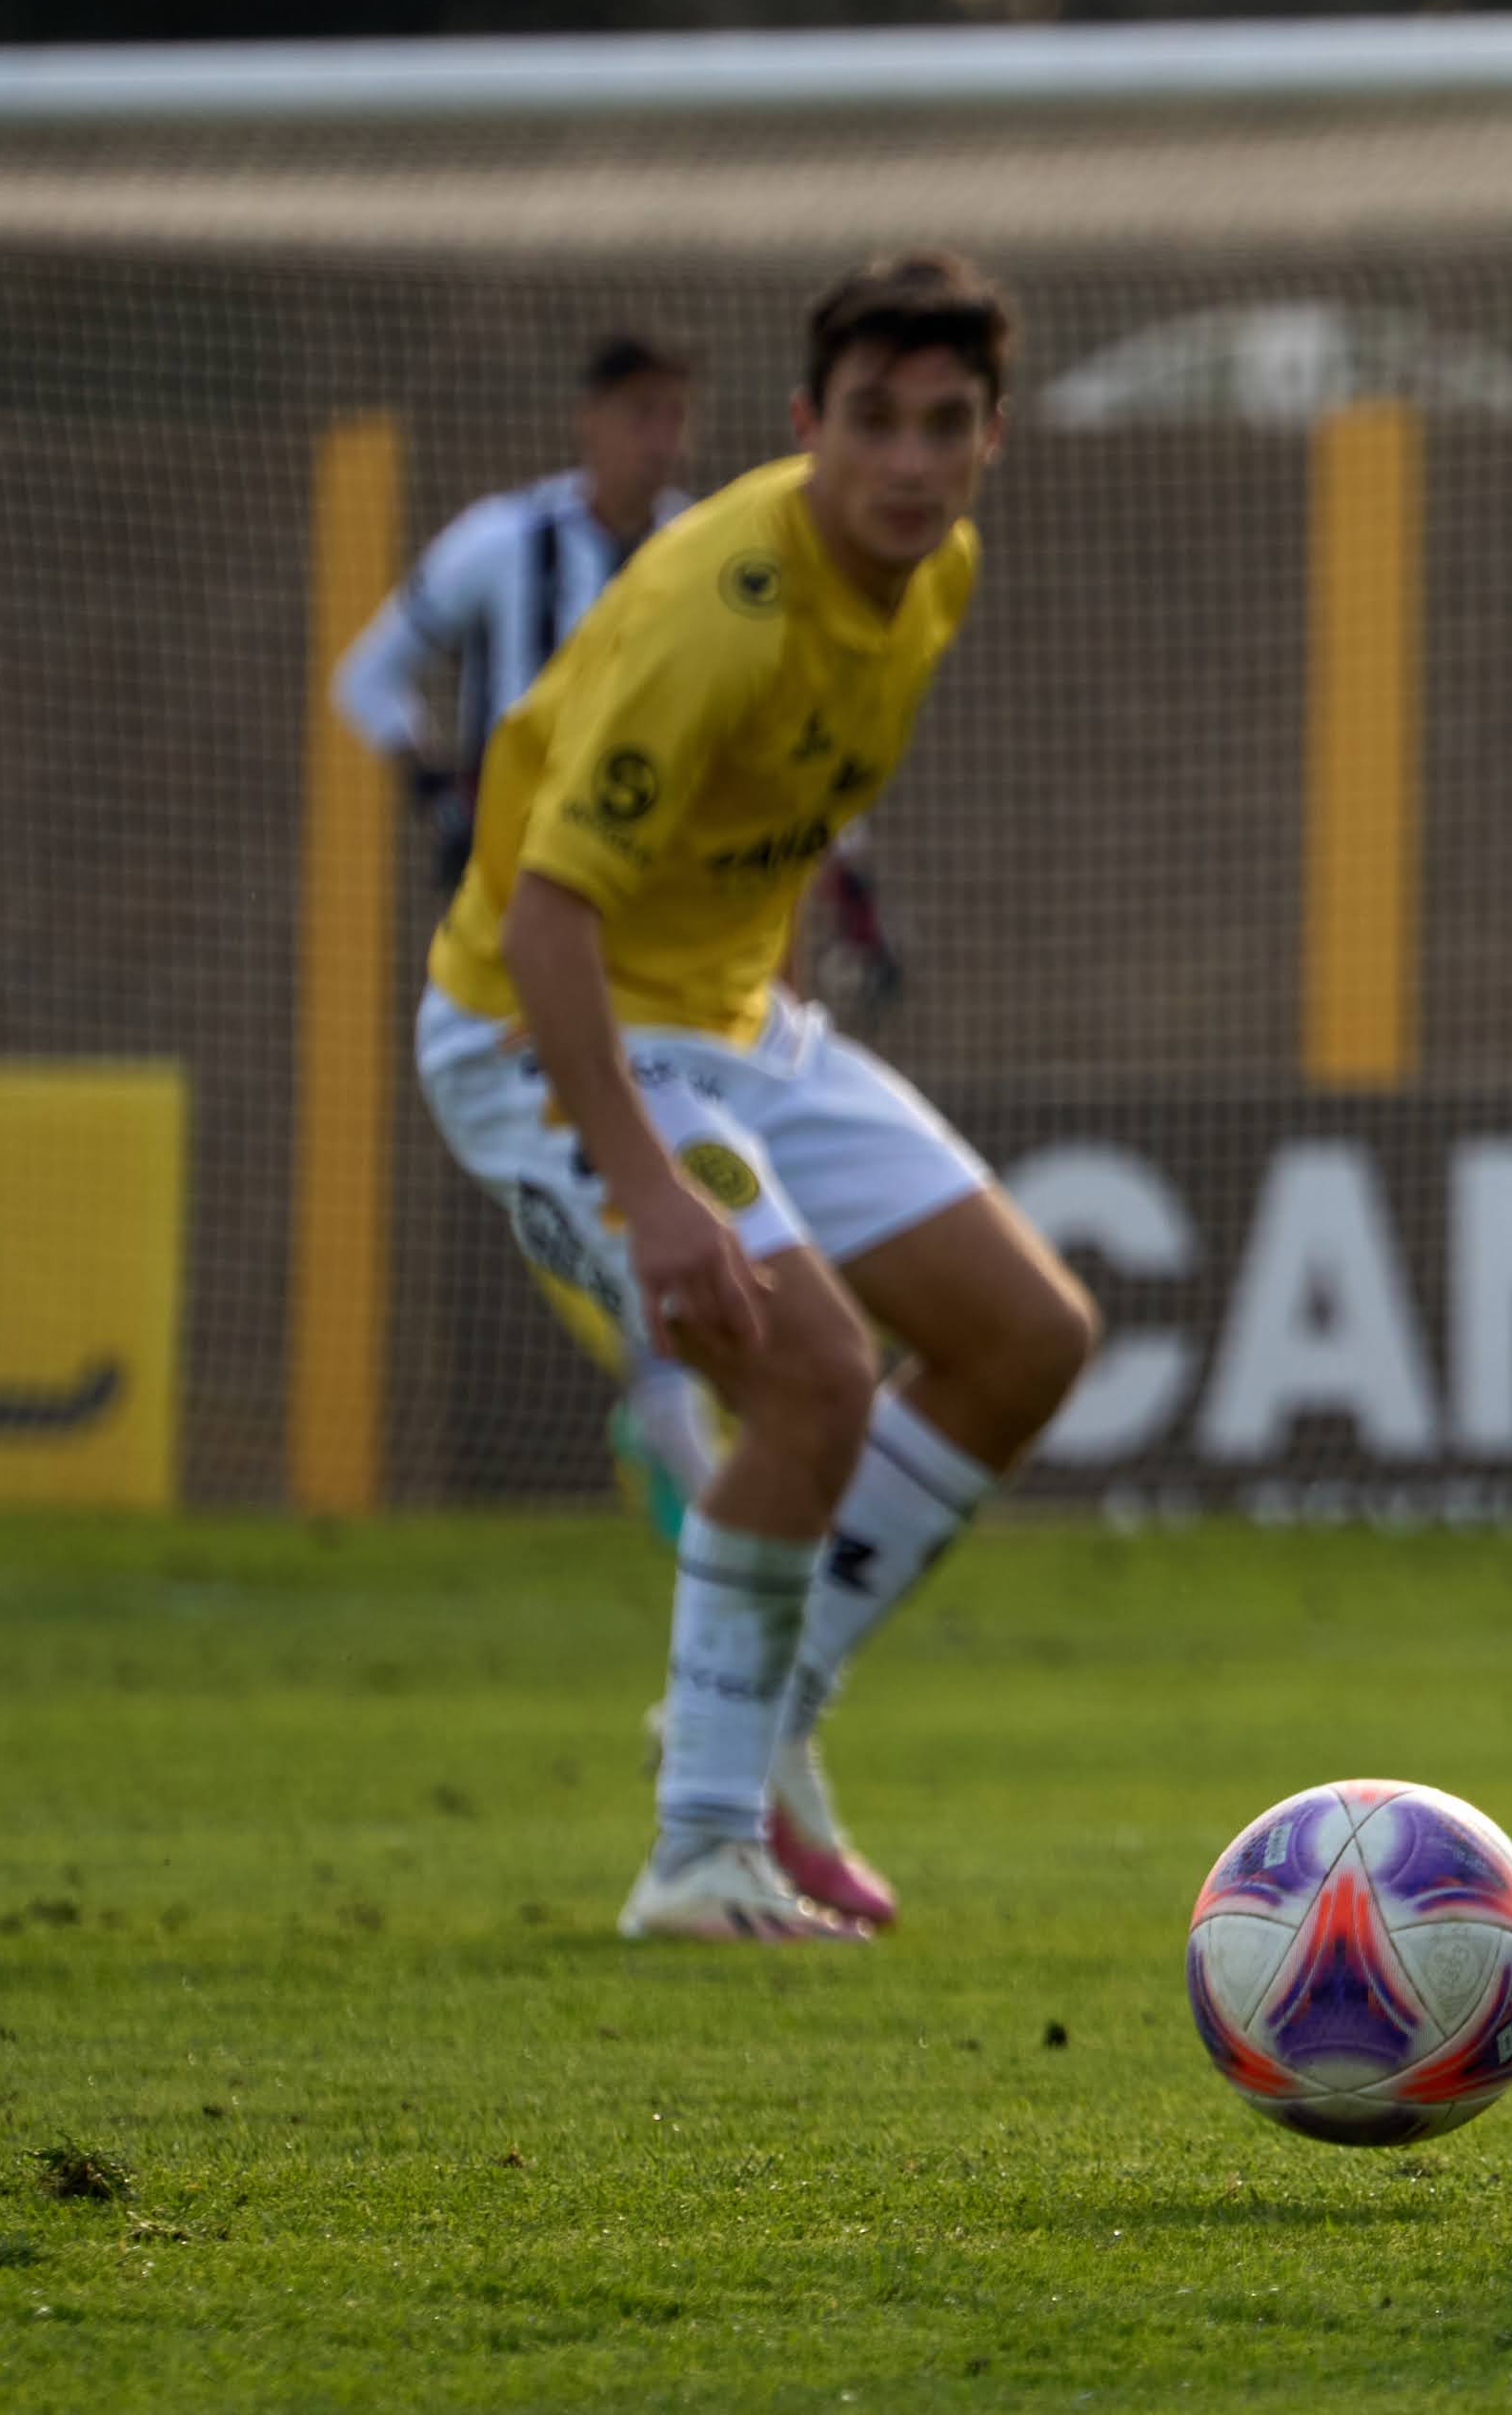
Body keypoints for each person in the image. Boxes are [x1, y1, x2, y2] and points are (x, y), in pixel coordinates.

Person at [413, 253, 1102, 1943]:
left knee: (1027, 1334)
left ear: (992, 440)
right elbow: (545, 912)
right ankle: (699, 1847)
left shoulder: (935, 582)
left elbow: (772, 821)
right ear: (807, 427)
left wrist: (768, 1014)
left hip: (733, 1022)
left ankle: (762, 1696)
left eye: (948, 426)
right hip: (538, 1028)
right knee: (810, 1369)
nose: (910, 463)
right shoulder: (718, 602)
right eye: (873, 422)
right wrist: (653, 1188)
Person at [336, 332, 735, 1527]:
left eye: (675, 413)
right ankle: (670, 1400)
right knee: (615, 1162)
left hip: (667, 919)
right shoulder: (500, 543)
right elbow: (365, 678)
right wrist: (434, 786)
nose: (659, 435)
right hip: (527, 923)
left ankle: (671, 1390)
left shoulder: (705, 550)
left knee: (678, 1157)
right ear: (589, 419)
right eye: (638, 412)